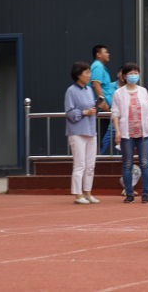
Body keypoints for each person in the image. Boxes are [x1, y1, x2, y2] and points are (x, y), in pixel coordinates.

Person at [111, 63, 148, 203]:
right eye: (130, 73)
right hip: (126, 134)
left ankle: (146, 194)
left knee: (145, 163)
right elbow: (115, 114)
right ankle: (129, 193)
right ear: (124, 76)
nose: (134, 75)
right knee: (127, 164)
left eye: (136, 72)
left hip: (143, 133)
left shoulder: (143, 91)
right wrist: (117, 131)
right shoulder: (119, 93)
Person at [65, 61, 100, 205]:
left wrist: (95, 108)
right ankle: (78, 194)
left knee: (90, 164)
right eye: (87, 73)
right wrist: (85, 112)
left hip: (91, 130)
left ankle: (88, 192)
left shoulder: (89, 89)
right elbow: (69, 113)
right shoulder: (71, 91)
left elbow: (91, 108)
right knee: (80, 164)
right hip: (77, 131)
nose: (89, 75)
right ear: (79, 75)